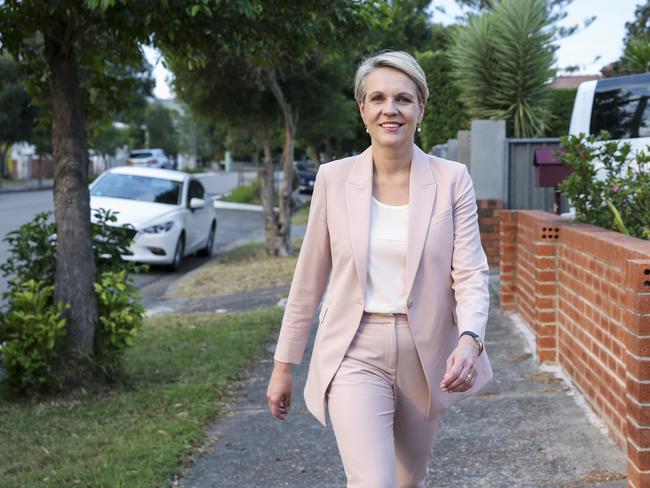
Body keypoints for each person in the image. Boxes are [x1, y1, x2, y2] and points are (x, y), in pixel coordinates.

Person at [266, 50, 493, 487]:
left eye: (404, 99)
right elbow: (309, 279)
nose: (391, 109)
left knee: (410, 481)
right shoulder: (334, 179)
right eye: (379, 98)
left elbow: (469, 272)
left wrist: (470, 340)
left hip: (427, 354)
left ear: (421, 108)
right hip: (354, 349)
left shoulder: (452, 179)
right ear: (363, 109)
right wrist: (283, 365)